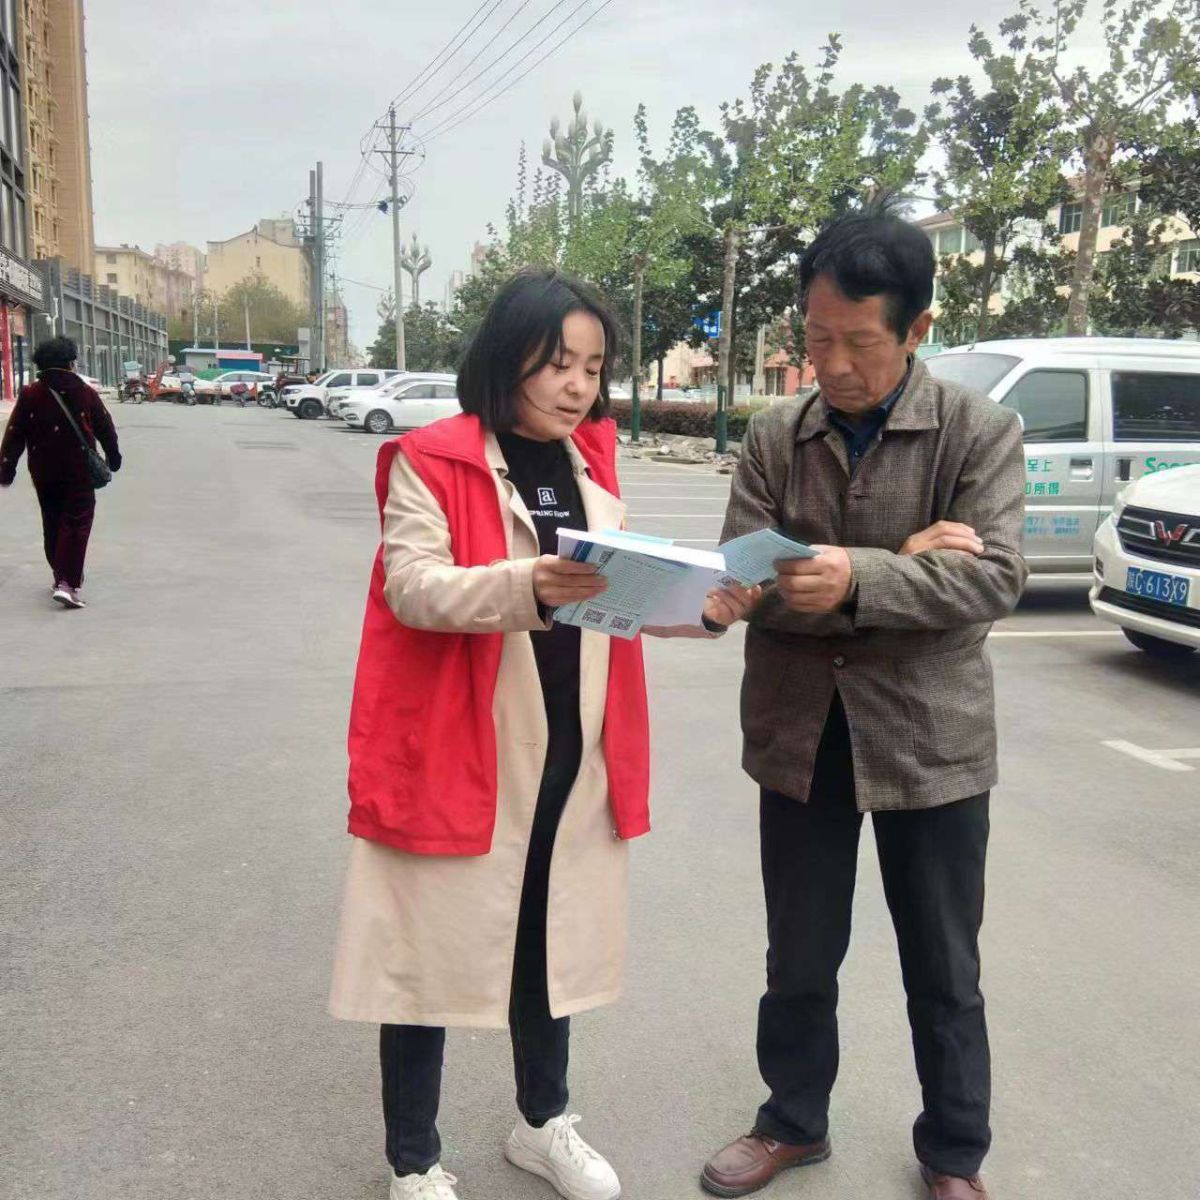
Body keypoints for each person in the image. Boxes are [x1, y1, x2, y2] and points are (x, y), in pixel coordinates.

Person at [330, 268, 755, 1200]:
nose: (577, 386)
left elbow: (618, 598)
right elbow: (413, 586)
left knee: (546, 944)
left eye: (593, 368)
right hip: (465, 748)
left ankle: (541, 1124)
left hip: (574, 742)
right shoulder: (431, 459)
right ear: (506, 357)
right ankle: (414, 1162)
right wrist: (525, 586)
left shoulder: (590, 461)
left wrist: (703, 611)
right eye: (559, 362)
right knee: (426, 960)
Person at [700, 213, 1028, 1200]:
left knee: (944, 964)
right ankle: (792, 1121)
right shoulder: (776, 435)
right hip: (802, 733)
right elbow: (741, 576)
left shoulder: (978, 431)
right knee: (799, 954)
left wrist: (854, 577)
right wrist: (900, 565)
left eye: (859, 342)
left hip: (931, 738)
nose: (833, 365)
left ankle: (955, 1153)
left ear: (918, 329)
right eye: (816, 338)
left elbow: (993, 580)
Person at [0, 335, 122, 608]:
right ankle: (67, 583)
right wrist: (113, 457)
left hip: (43, 471)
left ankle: (61, 576)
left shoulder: (31, 394)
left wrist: (6, 469)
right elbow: (105, 426)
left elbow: (15, 433)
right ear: (70, 362)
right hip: (78, 470)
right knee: (77, 522)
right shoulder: (84, 392)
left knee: (53, 521)